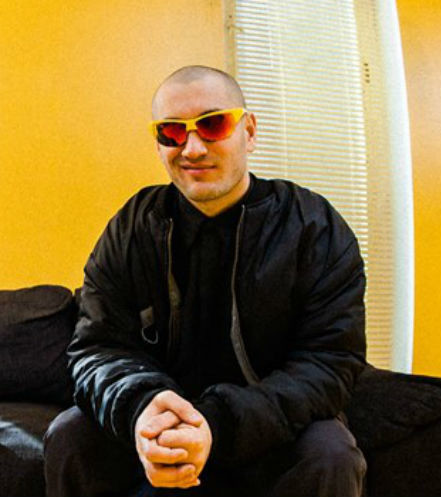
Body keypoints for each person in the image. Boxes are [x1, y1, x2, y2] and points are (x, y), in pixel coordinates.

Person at [44, 65, 367, 497]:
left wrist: (215, 424)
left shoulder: (314, 227)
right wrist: (142, 409)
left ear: (249, 131)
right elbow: (97, 348)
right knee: (71, 434)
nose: (192, 148)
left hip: (269, 427)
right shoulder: (132, 228)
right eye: (172, 132)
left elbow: (330, 363)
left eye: (213, 125)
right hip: (160, 425)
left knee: (331, 452)